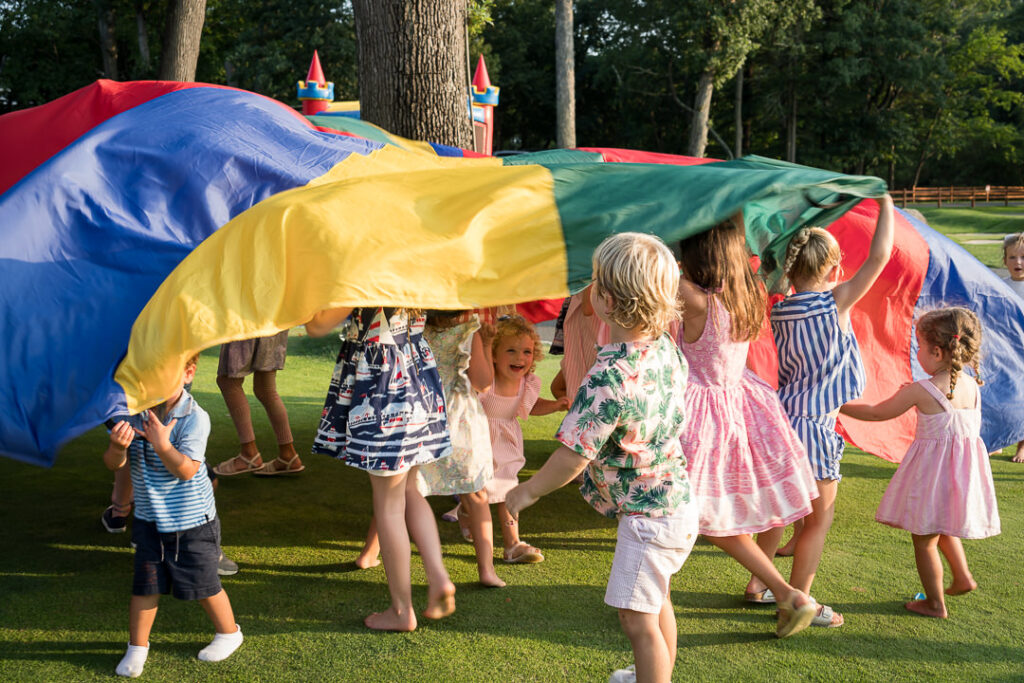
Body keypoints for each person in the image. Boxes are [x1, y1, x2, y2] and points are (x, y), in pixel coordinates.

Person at [507, 233, 813, 683]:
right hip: (676, 504)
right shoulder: (665, 349)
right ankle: (655, 674)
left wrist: (526, 492)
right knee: (656, 600)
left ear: (605, 300)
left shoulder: (607, 376)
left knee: (636, 618)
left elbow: (574, 455)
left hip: (650, 519)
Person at [675, 217, 820, 622]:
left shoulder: (693, 297)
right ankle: (777, 589)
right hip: (741, 402)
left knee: (701, 513)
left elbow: (647, 274)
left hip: (701, 411)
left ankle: (784, 590)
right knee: (705, 510)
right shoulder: (747, 293)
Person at [772, 194, 895, 627]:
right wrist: (884, 199)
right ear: (832, 268)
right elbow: (880, 255)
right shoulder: (834, 303)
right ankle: (799, 597)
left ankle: (758, 585)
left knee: (780, 510)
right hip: (814, 426)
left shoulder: (780, 307)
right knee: (816, 522)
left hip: (780, 419)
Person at [841, 307, 999, 618]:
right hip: (961, 476)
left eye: (920, 348)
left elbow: (876, 412)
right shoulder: (971, 386)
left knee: (925, 539)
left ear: (938, 351)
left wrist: (839, 405)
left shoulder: (923, 390)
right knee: (943, 523)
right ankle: (963, 576)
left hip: (933, 474)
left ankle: (935, 603)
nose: (918, 355)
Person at [307, 307, 455, 631]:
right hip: (418, 380)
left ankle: (402, 611)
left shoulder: (365, 273)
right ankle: (438, 575)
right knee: (411, 491)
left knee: (389, 506)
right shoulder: (413, 272)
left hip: (383, 389)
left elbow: (316, 325)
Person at [102, 355, 242, 678]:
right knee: (145, 586)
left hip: (193, 523)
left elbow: (187, 470)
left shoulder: (195, 418)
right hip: (150, 521)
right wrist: (117, 448)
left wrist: (163, 445)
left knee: (204, 584)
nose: (153, 382)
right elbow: (113, 464)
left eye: (164, 374)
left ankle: (229, 632)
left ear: (189, 372)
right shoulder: (133, 414)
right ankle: (137, 647)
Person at [357, 311, 505, 587]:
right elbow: (482, 382)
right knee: (475, 494)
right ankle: (487, 570)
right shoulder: (470, 329)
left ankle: (369, 553)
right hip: (460, 419)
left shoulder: (412, 325)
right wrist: (486, 343)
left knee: (394, 490)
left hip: (417, 413)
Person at [481, 314, 568, 564]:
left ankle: (512, 544)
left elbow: (531, 406)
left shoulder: (526, 383)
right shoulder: (487, 380)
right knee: (476, 490)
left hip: (506, 443)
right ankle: (468, 513)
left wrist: (555, 406)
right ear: (494, 354)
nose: (520, 358)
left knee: (507, 489)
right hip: (479, 440)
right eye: (511, 350)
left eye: (527, 352)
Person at [212, 333, 303, 476]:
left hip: (249, 321)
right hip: (274, 322)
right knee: (265, 388)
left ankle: (249, 454)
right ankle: (288, 455)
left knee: (228, 382)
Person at [1000, 233, 1024, 462]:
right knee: (1005, 396)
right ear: (1005, 260)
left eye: (1023, 257)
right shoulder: (1000, 286)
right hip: (1007, 353)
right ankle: (998, 440)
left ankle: (1022, 446)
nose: (1018, 262)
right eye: (1013, 257)